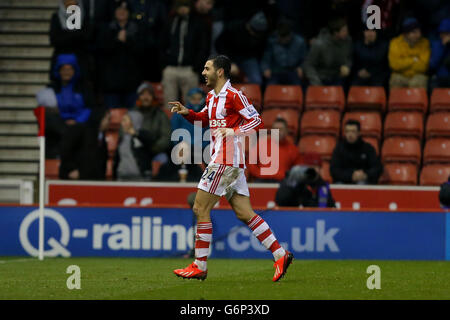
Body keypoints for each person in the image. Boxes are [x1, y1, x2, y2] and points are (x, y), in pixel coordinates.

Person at [170, 55, 293, 282]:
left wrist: (234, 132)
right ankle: (280, 254)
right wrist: (188, 113)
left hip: (226, 160)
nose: (203, 72)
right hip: (228, 161)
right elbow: (205, 119)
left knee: (199, 208)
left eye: (206, 68)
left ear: (220, 72)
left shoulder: (234, 95)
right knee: (244, 213)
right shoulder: (211, 96)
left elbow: (257, 121)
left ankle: (200, 265)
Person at [113, 82, 171, 180]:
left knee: (163, 159)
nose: (145, 97)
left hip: (154, 151)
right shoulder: (131, 114)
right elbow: (123, 134)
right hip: (135, 150)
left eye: (149, 94)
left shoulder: (160, 115)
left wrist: (152, 149)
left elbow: (166, 138)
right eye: (143, 94)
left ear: (153, 97)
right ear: (138, 96)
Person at [160, 0, 210, 108]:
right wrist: (164, 65)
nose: (183, 8)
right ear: (176, 7)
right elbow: (161, 45)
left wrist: (197, 67)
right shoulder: (170, 22)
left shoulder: (198, 23)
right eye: (180, 6)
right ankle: (170, 125)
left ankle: (193, 126)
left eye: (186, 5)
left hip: (190, 69)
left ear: (190, 7)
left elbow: (203, 47)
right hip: (171, 68)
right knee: (169, 104)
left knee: (193, 104)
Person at [97, 0, 141, 108]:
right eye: (119, 9)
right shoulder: (106, 29)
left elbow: (141, 51)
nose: (122, 12)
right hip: (111, 83)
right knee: (112, 117)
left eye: (125, 10)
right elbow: (101, 50)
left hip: (132, 82)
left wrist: (128, 41)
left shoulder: (137, 29)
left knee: (132, 117)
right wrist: (117, 41)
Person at [247, 117, 301, 182]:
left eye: (281, 129)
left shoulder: (293, 149)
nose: (278, 132)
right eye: (275, 129)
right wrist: (259, 174)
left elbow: (297, 169)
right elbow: (251, 164)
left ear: (286, 131)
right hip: (262, 180)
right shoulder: (261, 144)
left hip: (282, 182)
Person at [330, 119, 382, 184]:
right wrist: (351, 176)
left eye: (353, 131)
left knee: (361, 183)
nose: (350, 134)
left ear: (359, 133)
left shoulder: (368, 148)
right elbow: (334, 170)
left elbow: (377, 168)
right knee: (339, 185)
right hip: (344, 181)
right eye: (347, 131)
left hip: (363, 181)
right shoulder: (339, 149)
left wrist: (365, 175)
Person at [303, 17, 352, 86]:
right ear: (336, 33)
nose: (347, 33)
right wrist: (316, 82)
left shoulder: (348, 41)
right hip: (320, 78)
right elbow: (308, 65)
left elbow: (348, 58)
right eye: (344, 31)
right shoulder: (319, 44)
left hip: (338, 78)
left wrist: (347, 66)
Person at [261, 19, 308, 86]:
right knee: (271, 86)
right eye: (280, 37)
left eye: (285, 38)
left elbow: (305, 59)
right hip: (276, 71)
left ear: (290, 35)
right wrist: (265, 68)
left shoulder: (300, 42)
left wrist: (301, 67)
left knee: (298, 86)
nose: (282, 40)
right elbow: (266, 57)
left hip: (293, 71)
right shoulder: (272, 41)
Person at [388, 17, 430, 88]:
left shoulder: (424, 43)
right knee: (396, 80)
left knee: (418, 81)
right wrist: (414, 60)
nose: (418, 35)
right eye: (414, 32)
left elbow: (423, 66)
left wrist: (404, 62)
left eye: (419, 31)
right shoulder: (395, 43)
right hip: (400, 75)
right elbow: (394, 65)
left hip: (418, 75)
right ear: (405, 34)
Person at [429, 18, 450, 89]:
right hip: (440, 77)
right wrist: (443, 47)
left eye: (447, 33)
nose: (444, 36)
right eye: (442, 33)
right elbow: (433, 64)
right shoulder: (436, 45)